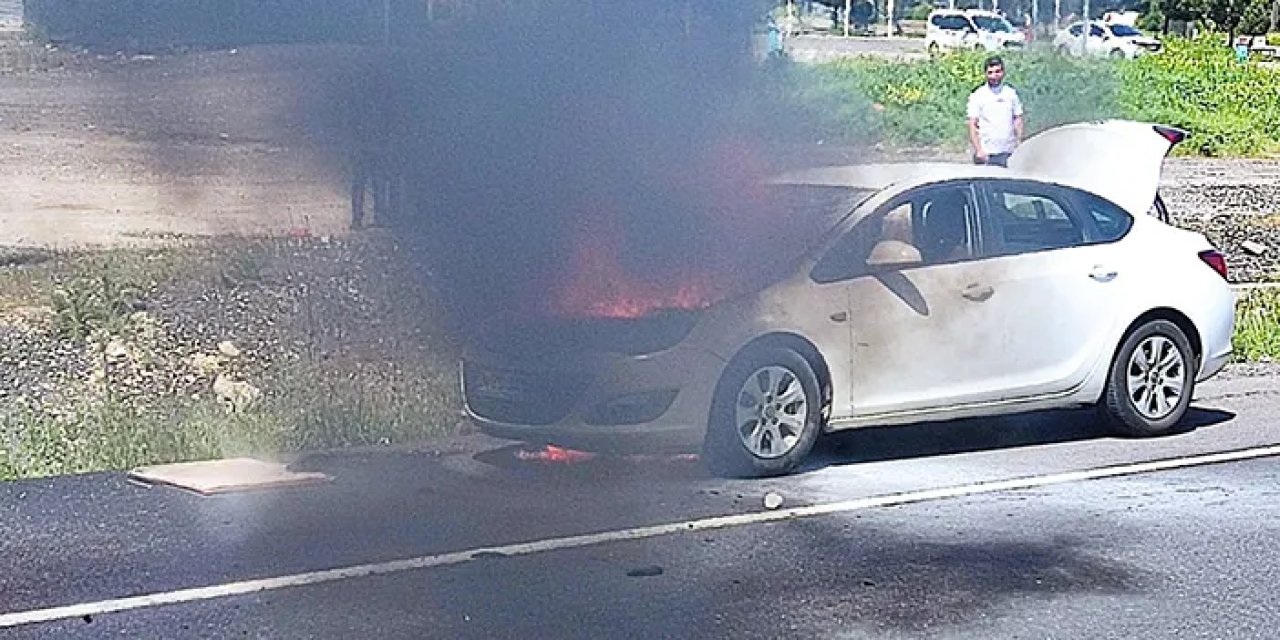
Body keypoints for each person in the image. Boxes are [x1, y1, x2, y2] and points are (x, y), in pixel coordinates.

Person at [967, 55, 1023, 167]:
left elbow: (1018, 119)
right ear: (986, 74)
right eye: (990, 72)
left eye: (997, 71)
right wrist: (979, 150)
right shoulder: (978, 95)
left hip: (1008, 152)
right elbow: (972, 125)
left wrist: (1019, 144)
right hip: (987, 153)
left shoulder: (1010, 94)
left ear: (1003, 72)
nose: (994, 76)